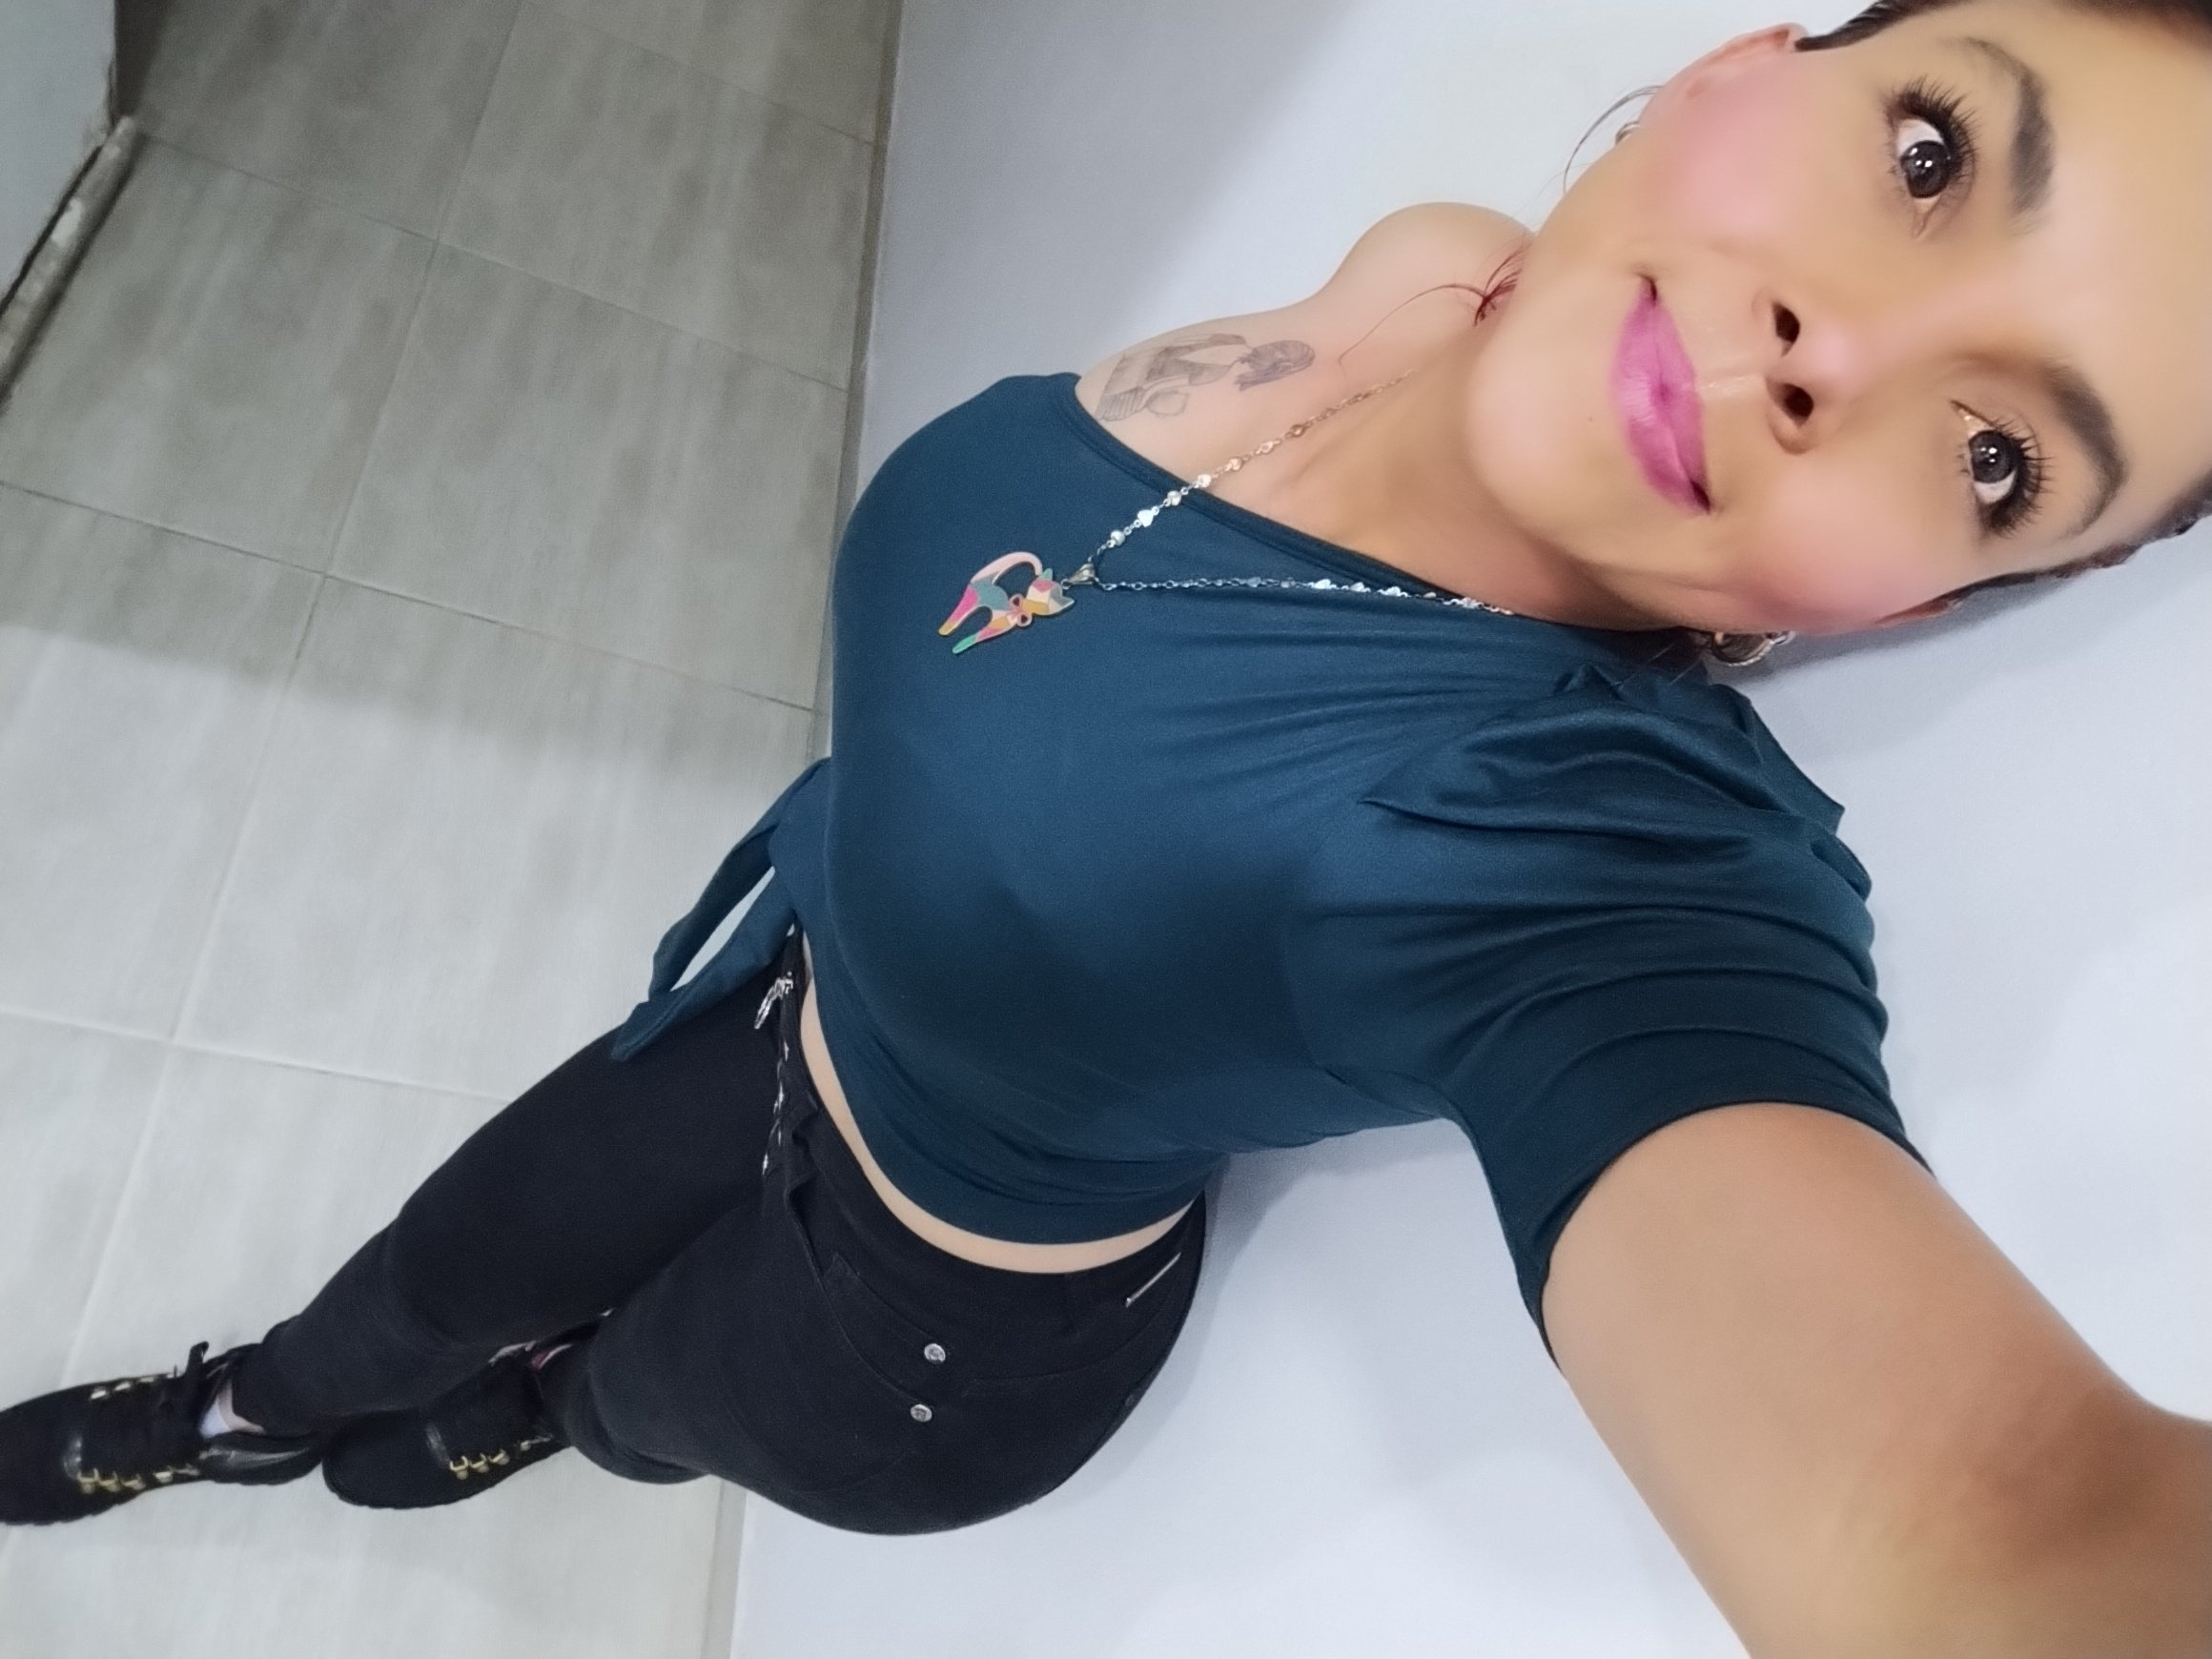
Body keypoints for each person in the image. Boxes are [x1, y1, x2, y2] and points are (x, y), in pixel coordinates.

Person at [7, 0, 2211, 1649]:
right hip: (791, 980)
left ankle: (542, 1422)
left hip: (915, 1334)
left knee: (632, 1397)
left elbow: (1996, 1537)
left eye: (1995, 456)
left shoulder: (1580, 846)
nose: (1842, 350)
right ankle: (239, 1415)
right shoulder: (1428, 267)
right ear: (1739, 71)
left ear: (1911, 599)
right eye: (1928, 151)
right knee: (428, 1271)